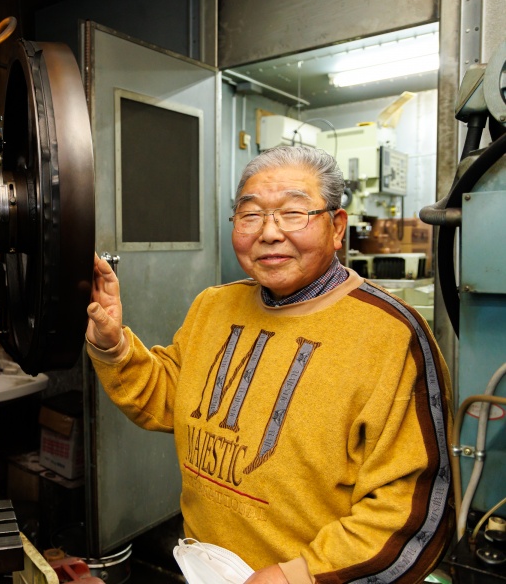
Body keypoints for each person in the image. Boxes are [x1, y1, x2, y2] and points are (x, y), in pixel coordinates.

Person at [85, 146, 454, 584]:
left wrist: (298, 576)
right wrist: (114, 345)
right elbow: (169, 398)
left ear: (337, 226)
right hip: (207, 568)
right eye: (251, 215)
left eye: (293, 213)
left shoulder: (391, 336)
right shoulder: (214, 306)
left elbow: (412, 512)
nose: (269, 232)